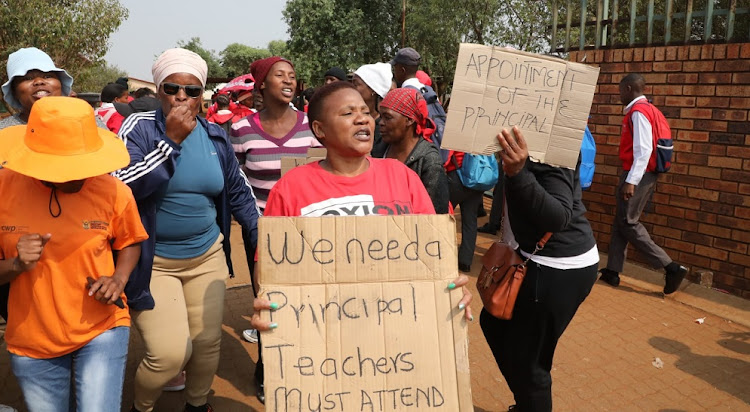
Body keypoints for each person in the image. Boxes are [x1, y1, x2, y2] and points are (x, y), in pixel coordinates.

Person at [248, 80, 474, 399]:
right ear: (320, 129)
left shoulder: (402, 177)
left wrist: (452, 291)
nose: (363, 118)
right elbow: (269, 273)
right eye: (348, 112)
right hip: (323, 354)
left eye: (366, 112)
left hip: (397, 351)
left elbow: (435, 261)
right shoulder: (292, 187)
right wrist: (268, 304)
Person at [114, 48, 260, 412]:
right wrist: (172, 142)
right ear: (158, 91)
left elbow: (240, 194)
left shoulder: (215, 136)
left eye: (192, 90)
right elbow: (123, 187)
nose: (182, 96)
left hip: (206, 256)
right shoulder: (140, 129)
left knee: (208, 343)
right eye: (172, 88)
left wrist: (264, 245)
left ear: (203, 95)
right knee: (168, 353)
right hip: (153, 262)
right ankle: (142, 407)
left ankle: (198, 405)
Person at [0, 96, 147, 411]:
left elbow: (131, 240)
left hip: (103, 328)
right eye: (69, 166)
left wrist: (119, 278)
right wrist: (14, 264)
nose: (81, 175)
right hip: (32, 341)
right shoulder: (3, 190)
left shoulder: (113, 191)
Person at [480, 126, 600, 412]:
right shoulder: (527, 138)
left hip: (558, 268)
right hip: (537, 258)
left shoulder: (553, 142)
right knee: (493, 323)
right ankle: (527, 401)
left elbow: (558, 216)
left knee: (531, 365)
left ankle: (530, 401)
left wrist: (519, 172)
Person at [230, 55, 320, 397]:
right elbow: (236, 183)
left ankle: (307, 368)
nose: (289, 81)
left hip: (309, 233)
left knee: (308, 305)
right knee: (270, 306)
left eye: (293, 76)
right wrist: (254, 224)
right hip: (263, 232)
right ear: (262, 85)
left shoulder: (312, 126)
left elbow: (323, 174)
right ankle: (269, 370)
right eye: (280, 75)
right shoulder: (240, 131)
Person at [0, 47, 107, 324]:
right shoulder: (5, 134)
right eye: (27, 77)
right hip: (24, 262)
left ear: (61, 83)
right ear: (15, 91)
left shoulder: (90, 123)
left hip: (84, 247)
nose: (39, 81)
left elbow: (109, 179)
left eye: (47, 74)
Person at [599, 74, 687, 293]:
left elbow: (644, 149)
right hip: (641, 173)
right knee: (622, 219)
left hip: (639, 174)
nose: (619, 95)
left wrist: (631, 181)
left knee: (628, 222)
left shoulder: (639, 113)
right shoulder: (649, 109)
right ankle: (613, 271)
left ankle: (670, 267)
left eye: (621, 91)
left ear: (629, 88)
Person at [378, 87, 449, 213]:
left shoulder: (429, 161)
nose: (381, 123)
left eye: (387, 117)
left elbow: (436, 215)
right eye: (381, 116)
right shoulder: (379, 149)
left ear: (410, 120)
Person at [351, 62, 392, 158]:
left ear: (373, 90)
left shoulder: (384, 128)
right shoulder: (349, 120)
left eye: (356, 84)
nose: (352, 88)